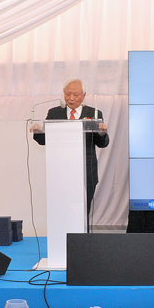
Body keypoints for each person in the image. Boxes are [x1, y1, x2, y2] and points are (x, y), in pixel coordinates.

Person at [31, 79, 110, 216]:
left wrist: (102, 133)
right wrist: (39, 131)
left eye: (75, 94)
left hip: (86, 172)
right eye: (68, 94)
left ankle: (82, 231)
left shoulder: (94, 113)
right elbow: (44, 141)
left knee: (82, 213)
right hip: (61, 172)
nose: (71, 98)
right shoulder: (54, 113)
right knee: (62, 212)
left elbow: (102, 143)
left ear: (83, 95)